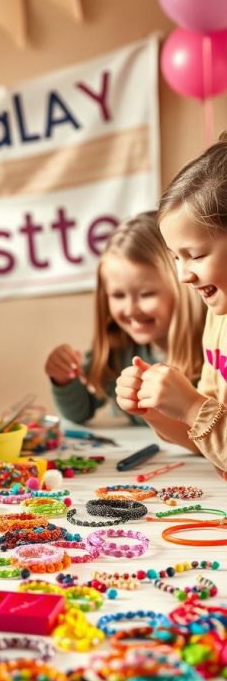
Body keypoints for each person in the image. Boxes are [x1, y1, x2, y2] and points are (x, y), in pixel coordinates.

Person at [115, 138, 227, 473]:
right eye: (176, 257)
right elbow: (208, 438)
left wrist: (192, 406)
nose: (182, 276)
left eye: (195, 256)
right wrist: (159, 409)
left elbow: (203, 418)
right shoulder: (218, 317)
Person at [45, 211, 205, 425]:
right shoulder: (119, 347)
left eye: (146, 294)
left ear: (182, 287)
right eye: (118, 295)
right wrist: (63, 379)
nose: (131, 309)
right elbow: (79, 412)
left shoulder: (212, 345)